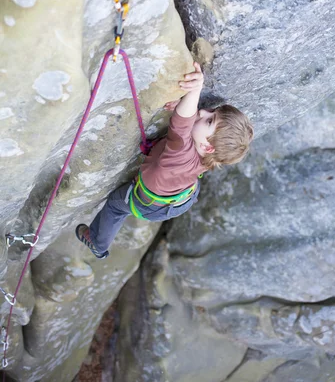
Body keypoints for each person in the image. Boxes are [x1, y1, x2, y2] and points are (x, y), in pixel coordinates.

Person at [75, 62, 254, 259]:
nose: (203, 112)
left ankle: (98, 244)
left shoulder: (182, 152)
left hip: (149, 204)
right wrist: (187, 110)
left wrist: (195, 91)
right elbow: (187, 128)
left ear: (207, 147)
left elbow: (181, 125)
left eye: (209, 120)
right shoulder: (207, 156)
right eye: (212, 112)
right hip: (182, 198)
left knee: (116, 206)